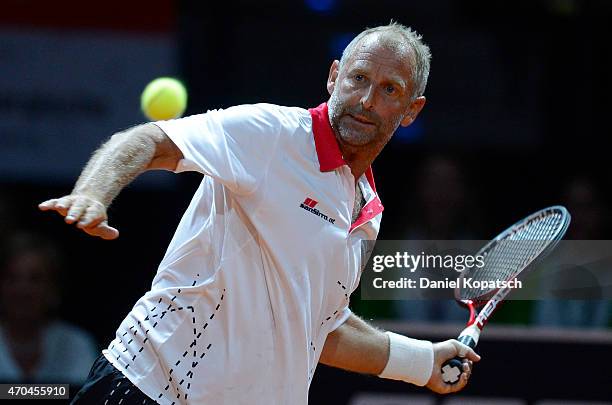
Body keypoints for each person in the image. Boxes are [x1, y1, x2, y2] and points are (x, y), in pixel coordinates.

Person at [39, 22, 480, 404]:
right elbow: (148, 140)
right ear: (333, 77)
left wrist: (421, 363)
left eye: (389, 90)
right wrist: (94, 193)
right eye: (358, 78)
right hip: (153, 391)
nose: (366, 100)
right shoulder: (272, 136)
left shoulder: (366, 211)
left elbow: (318, 328)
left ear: (411, 111)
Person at [0, 231, 98, 384]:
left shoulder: (76, 344)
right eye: (12, 278)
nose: (22, 290)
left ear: (53, 289)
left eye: (35, 279)